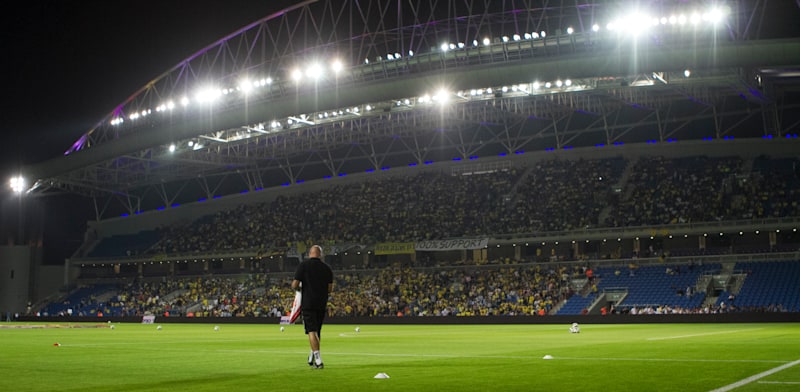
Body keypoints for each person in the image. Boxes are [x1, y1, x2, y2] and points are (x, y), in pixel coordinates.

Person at [292, 245, 333, 369]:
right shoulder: (327, 268)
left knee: (311, 331)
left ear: (310, 253)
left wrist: (302, 289)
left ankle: (318, 359)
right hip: (321, 303)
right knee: (317, 330)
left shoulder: (303, 265)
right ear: (320, 254)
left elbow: (294, 285)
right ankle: (312, 355)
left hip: (308, 302)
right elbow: (330, 289)